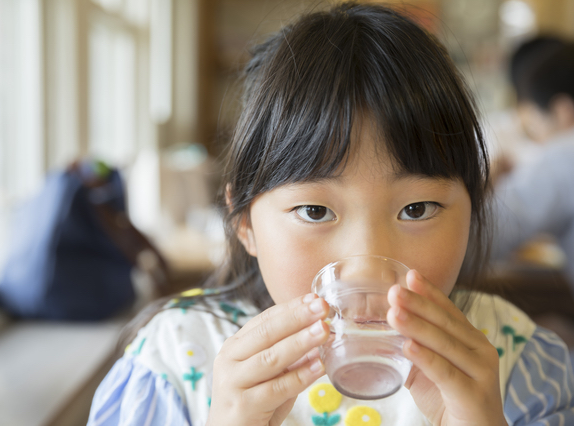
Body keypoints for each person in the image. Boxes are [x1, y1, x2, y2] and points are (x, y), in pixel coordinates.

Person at [88, 3, 574, 425]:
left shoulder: (513, 361)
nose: (366, 264)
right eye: (316, 210)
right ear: (244, 222)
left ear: (471, 213)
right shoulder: (174, 360)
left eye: (417, 208)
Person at [491, 42, 574, 288]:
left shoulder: (563, 155)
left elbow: (485, 238)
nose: (535, 135)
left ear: (562, 111)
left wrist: (485, 183)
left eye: (535, 120)